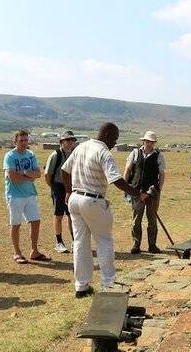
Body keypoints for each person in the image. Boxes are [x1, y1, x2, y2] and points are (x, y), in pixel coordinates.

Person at [62, 122, 146, 298]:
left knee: (80, 243)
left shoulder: (81, 147)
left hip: (75, 200)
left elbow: (65, 170)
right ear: (106, 134)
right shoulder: (103, 153)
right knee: (104, 241)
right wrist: (138, 194)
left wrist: (69, 191)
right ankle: (109, 283)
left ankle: (81, 286)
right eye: (114, 139)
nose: (115, 143)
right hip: (93, 200)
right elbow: (116, 180)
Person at [3, 129, 49, 263]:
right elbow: (13, 178)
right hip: (15, 195)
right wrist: (28, 175)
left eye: (26, 140)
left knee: (36, 221)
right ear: (15, 141)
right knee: (16, 224)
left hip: (30, 194)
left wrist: (22, 173)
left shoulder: (31, 154)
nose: (24, 143)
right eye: (21, 140)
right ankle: (17, 252)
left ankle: (34, 251)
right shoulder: (10, 156)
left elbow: (38, 174)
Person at [123, 130, 166, 254]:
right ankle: (136, 244)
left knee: (152, 219)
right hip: (136, 191)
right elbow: (127, 170)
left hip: (152, 193)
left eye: (152, 142)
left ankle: (152, 245)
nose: (149, 144)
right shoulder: (135, 153)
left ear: (154, 143)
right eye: (147, 141)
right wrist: (126, 187)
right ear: (144, 141)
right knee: (136, 219)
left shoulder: (158, 155)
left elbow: (162, 174)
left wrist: (158, 189)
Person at [44, 130, 77, 254]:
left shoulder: (74, 154)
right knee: (58, 215)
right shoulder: (55, 155)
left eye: (72, 140)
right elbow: (47, 173)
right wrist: (53, 186)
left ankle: (75, 241)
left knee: (71, 214)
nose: (70, 142)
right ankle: (59, 242)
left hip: (71, 187)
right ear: (62, 141)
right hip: (58, 186)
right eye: (68, 140)